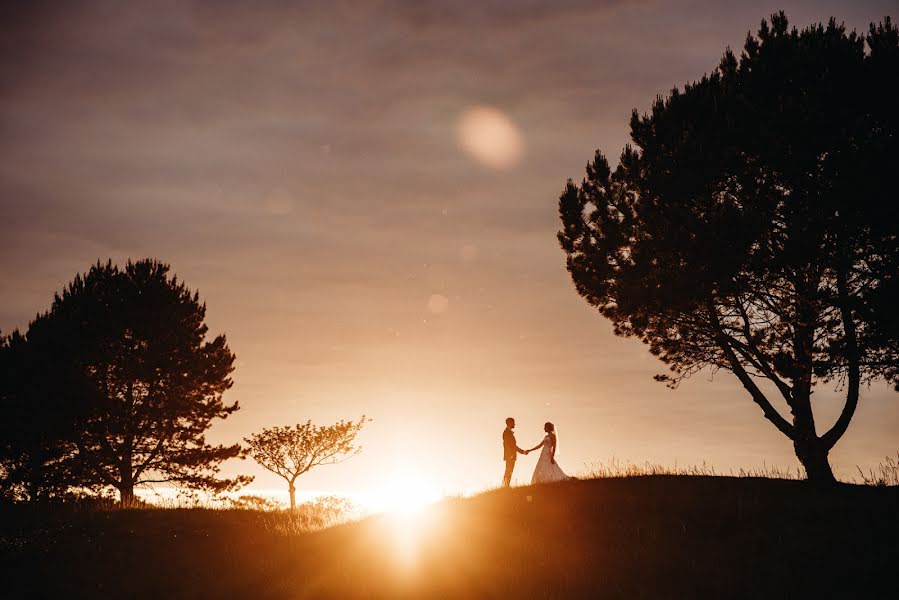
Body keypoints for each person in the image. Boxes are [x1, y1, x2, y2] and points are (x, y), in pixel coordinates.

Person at [501, 417, 527, 487]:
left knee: (509, 471)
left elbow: (513, 446)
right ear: (509, 423)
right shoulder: (507, 432)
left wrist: (523, 452)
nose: (514, 424)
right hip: (510, 456)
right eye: (513, 422)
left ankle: (505, 486)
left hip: (511, 455)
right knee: (508, 471)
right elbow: (508, 445)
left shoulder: (508, 432)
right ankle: (505, 487)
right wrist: (511, 455)